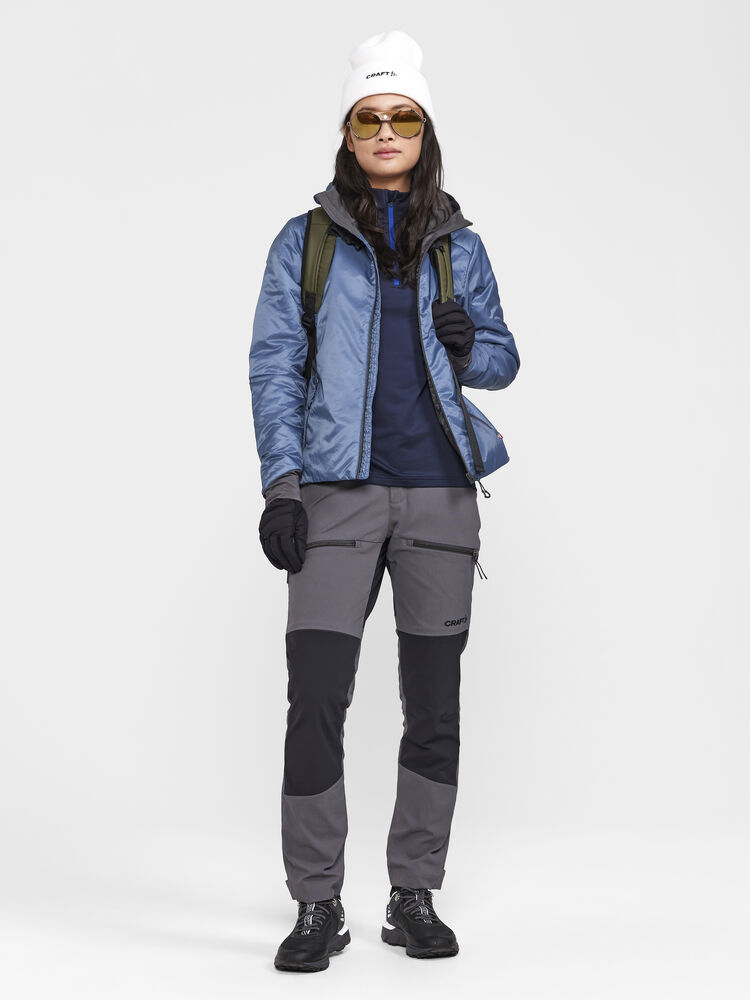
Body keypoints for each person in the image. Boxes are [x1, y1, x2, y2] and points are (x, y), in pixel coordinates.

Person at [249, 29, 521, 973]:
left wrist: (467, 342)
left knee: (433, 706)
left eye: (402, 115)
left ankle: (414, 894)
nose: (386, 131)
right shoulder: (307, 243)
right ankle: (316, 903)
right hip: (336, 500)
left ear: (424, 127)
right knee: (316, 698)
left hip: (441, 498)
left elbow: (503, 360)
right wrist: (282, 488)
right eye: (369, 117)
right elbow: (275, 370)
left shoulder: (461, 246)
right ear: (348, 132)